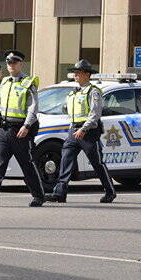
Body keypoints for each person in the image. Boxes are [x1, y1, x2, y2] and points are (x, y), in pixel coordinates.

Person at [0, 50, 45, 208]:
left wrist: (27, 125)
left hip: (20, 130)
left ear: (21, 64)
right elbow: (1, 105)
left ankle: (38, 196)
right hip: (3, 129)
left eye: (14, 62)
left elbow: (33, 107)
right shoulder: (4, 82)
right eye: (8, 62)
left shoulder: (28, 82)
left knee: (26, 164)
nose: (11, 65)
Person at [45, 59, 116, 204]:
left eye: (78, 72)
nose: (75, 75)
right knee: (66, 160)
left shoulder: (93, 91)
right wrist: (73, 128)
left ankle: (110, 192)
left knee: (97, 163)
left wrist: (84, 129)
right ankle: (59, 193)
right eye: (75, 72)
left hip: (88, 132)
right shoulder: (74, 92)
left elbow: (95, 114)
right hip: (74, 131)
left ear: (87, 74)